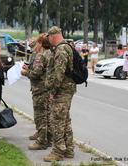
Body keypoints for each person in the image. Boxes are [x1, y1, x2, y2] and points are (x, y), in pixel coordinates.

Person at [44, 26, 76, 162]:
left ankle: (58, 152)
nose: (49, 41)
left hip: (61, 91)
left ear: (53, 36)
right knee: (65, 120)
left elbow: (59, 74)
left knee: (57, 121)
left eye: (49, 38)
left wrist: (53, 92)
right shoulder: (67, 46)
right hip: (67, 90)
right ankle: (68, 149)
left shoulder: (61, 49)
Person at [21, 33, 52, 150]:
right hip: (47, 88)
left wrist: (25, 72)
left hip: (40, 90)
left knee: (40, 117)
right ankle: (48, 139)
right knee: (47, 116)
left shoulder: (41, 55)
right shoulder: (50, 54)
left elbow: (36, 73)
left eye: (38, 43)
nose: (36, 45)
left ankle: (42, 141)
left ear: (41, 43)